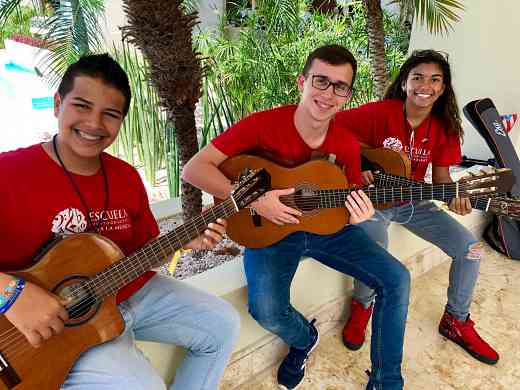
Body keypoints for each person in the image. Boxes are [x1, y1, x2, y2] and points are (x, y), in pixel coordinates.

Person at [0, 53, 240, 390]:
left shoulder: (125, 177)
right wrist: (11, 294)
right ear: (57, 104)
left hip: (131, 294)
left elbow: (142, 252)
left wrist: (185, 241)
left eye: (110, 115)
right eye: (81, 106)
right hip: (62, 326)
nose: (94, 123)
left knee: (224, 323)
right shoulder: (8, 173)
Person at [183, 44, 411, 390]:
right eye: (321, 81)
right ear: (301, 81)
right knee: (266, 310)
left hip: (327, 230)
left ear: (348, 96)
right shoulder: (262, 124)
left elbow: (344, 200)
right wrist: (257, 200)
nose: (328, 93)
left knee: (397, 278)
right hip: (268, 231)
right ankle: (304, 339)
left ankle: (386, 382)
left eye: (340, 87)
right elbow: (194, 169)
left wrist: (356, 217)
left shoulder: (346, 145)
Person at [337, 49, 499, 365]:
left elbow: (440, 180)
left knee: (470, 249)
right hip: (372, 200)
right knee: (373, 242)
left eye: (435, 79)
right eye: (418, 77)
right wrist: (361, 161)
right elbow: (332, 129)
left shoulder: (445, 128)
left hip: (415, 201)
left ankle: (456, 319)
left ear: (443, 87)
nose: (425, 85)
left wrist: (457, 197)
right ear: (405, 83)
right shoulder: (380, 112)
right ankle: (362, 304)